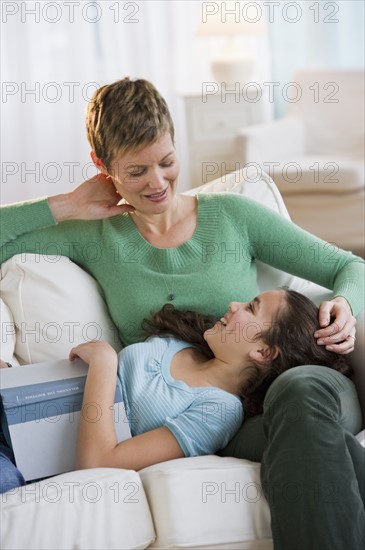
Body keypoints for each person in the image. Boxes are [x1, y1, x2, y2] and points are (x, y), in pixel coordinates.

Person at [0, 77, 364, 548]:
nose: (157, 183)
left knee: (297, 391)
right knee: (319, 453)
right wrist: (67, 205)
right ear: (102, 166)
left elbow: (347, 264)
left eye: (167, 162)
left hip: (305, 379)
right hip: (237, 419)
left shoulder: (232, 216)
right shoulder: (96, 235)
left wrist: (346, 302)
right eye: (136, 172)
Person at [0, 290, 354, 477]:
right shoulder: (183, 341)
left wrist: (106, 363)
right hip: (15, 405)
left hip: (17, 455)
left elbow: (97, 463)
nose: (233, 304)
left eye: (250, 306)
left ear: (263, 350)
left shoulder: (219, 410)